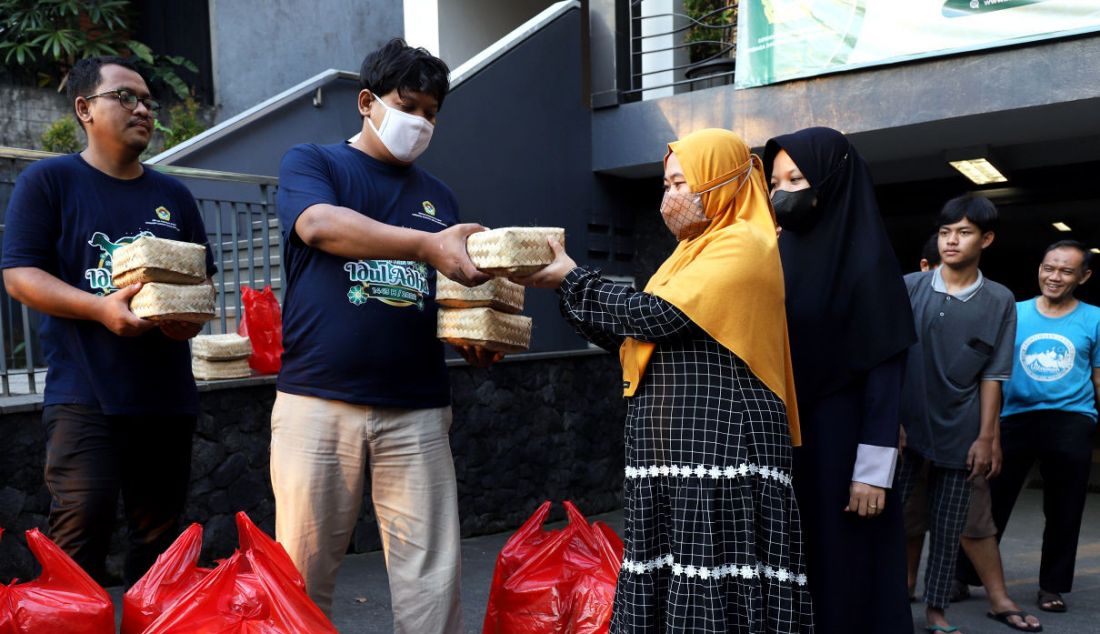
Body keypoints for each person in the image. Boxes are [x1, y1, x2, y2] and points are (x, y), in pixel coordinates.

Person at [516, 128, 813, 633]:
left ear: (719, 181)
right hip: (674, 450)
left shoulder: (743, 243)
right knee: (677, 574)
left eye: (681, 183)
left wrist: (571, 278)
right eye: (666, 184)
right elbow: (633, 337)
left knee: (713, 571)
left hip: (721, 447)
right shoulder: (688, 253)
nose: (670, 197)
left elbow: (655, 317)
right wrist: (564, 290)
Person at [270, 39, 495, 631]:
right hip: (317, 402)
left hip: (417, 410)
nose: (419, 122)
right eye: (409, 104)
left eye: (431, 113)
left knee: (430, 580)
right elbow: (317, 225)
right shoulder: (313, 163)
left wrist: (475, 337)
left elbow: (450, 299)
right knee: (300, 575)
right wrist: (424, 243)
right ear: (367, 102)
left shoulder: (438, 196)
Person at [1, 56, 215, 587]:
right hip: (84, 393)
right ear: (84, 109)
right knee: (81, 530)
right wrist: (98, 307)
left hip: (166, 396)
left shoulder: (174, 196)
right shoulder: (50, 181)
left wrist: (187, 321)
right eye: (124, 96)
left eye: (146, 100)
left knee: (160, 544)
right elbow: (19, 275)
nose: (142, 108)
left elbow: (199, 288)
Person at [763, 127, 916, 633]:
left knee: (847, 559)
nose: (781, 192)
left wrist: (873, 469)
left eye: (797, 178)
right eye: (775, 181)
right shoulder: (774, 255)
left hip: (844, 439)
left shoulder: (868, 261)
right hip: (785, 437)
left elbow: (885, 368)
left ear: (832, 182)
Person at [896, 195, 1019, 633]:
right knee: (891, 515)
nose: (951, 241)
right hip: (905, 426)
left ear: (985, 239)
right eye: (946, 232)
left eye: (964, 233)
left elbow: (994, 373)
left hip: (961, 427)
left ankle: (936, 611)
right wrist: (888, 420)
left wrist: (987, 436)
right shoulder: (910, 286)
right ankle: (886, 603)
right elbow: (888, 359)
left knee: (950, 524)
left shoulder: (1000, 300)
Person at [991, 240, 1100, 614]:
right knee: (991, 501)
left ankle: (1052, 586)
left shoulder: (1095, 318)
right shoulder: (1013, 311)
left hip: (1072, 418)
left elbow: (1099, 377)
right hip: (1015, 416)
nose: (1054, 277)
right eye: (1048, 267)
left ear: (1083, 276)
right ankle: (966, 575)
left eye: (1066, 271)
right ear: (1039, 267)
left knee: (1065, 507)